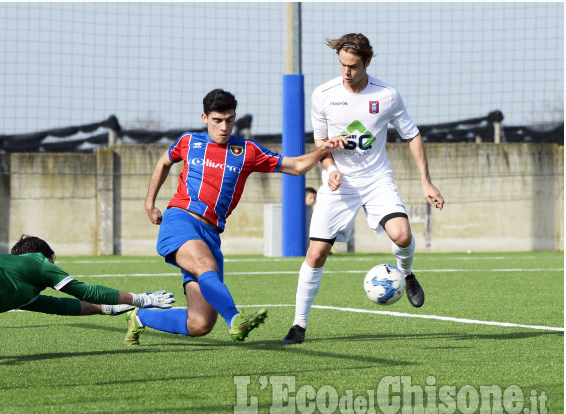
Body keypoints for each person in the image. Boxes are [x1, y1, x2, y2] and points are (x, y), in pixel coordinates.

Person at [125, 88, 342, 346]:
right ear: (204, 118)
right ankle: (235, 321)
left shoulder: (247, 150)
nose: (224, 127)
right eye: (217, 120)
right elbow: (163, 162)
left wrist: (323, 150)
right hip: (180, 220)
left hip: (211, 234)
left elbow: (295, 167)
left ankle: (141, 317)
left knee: (200, 324)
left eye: (229, 120)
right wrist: (150, 203)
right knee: (207, 267)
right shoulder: (189, 142)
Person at [282, 33, 445, 345]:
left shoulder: (387, 95)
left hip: (376, 179)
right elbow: (320, 141)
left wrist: (426, 181)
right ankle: (298, 325)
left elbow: (413, 135)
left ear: (367, 62)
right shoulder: (324, 95)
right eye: (342, 64)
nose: (347, 72)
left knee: (402, 234)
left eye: (353, 66)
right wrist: (329, 169)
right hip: (339, 182)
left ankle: (406, 274)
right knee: (316, 254)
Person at [0, 235, 175, 316]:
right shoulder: (38, 263)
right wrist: (139, 299)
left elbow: (63, 306)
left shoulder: (25, 293)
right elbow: (85, 291)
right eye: (53, 260)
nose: (54, 266)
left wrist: (108, 308)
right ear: (46, 257)